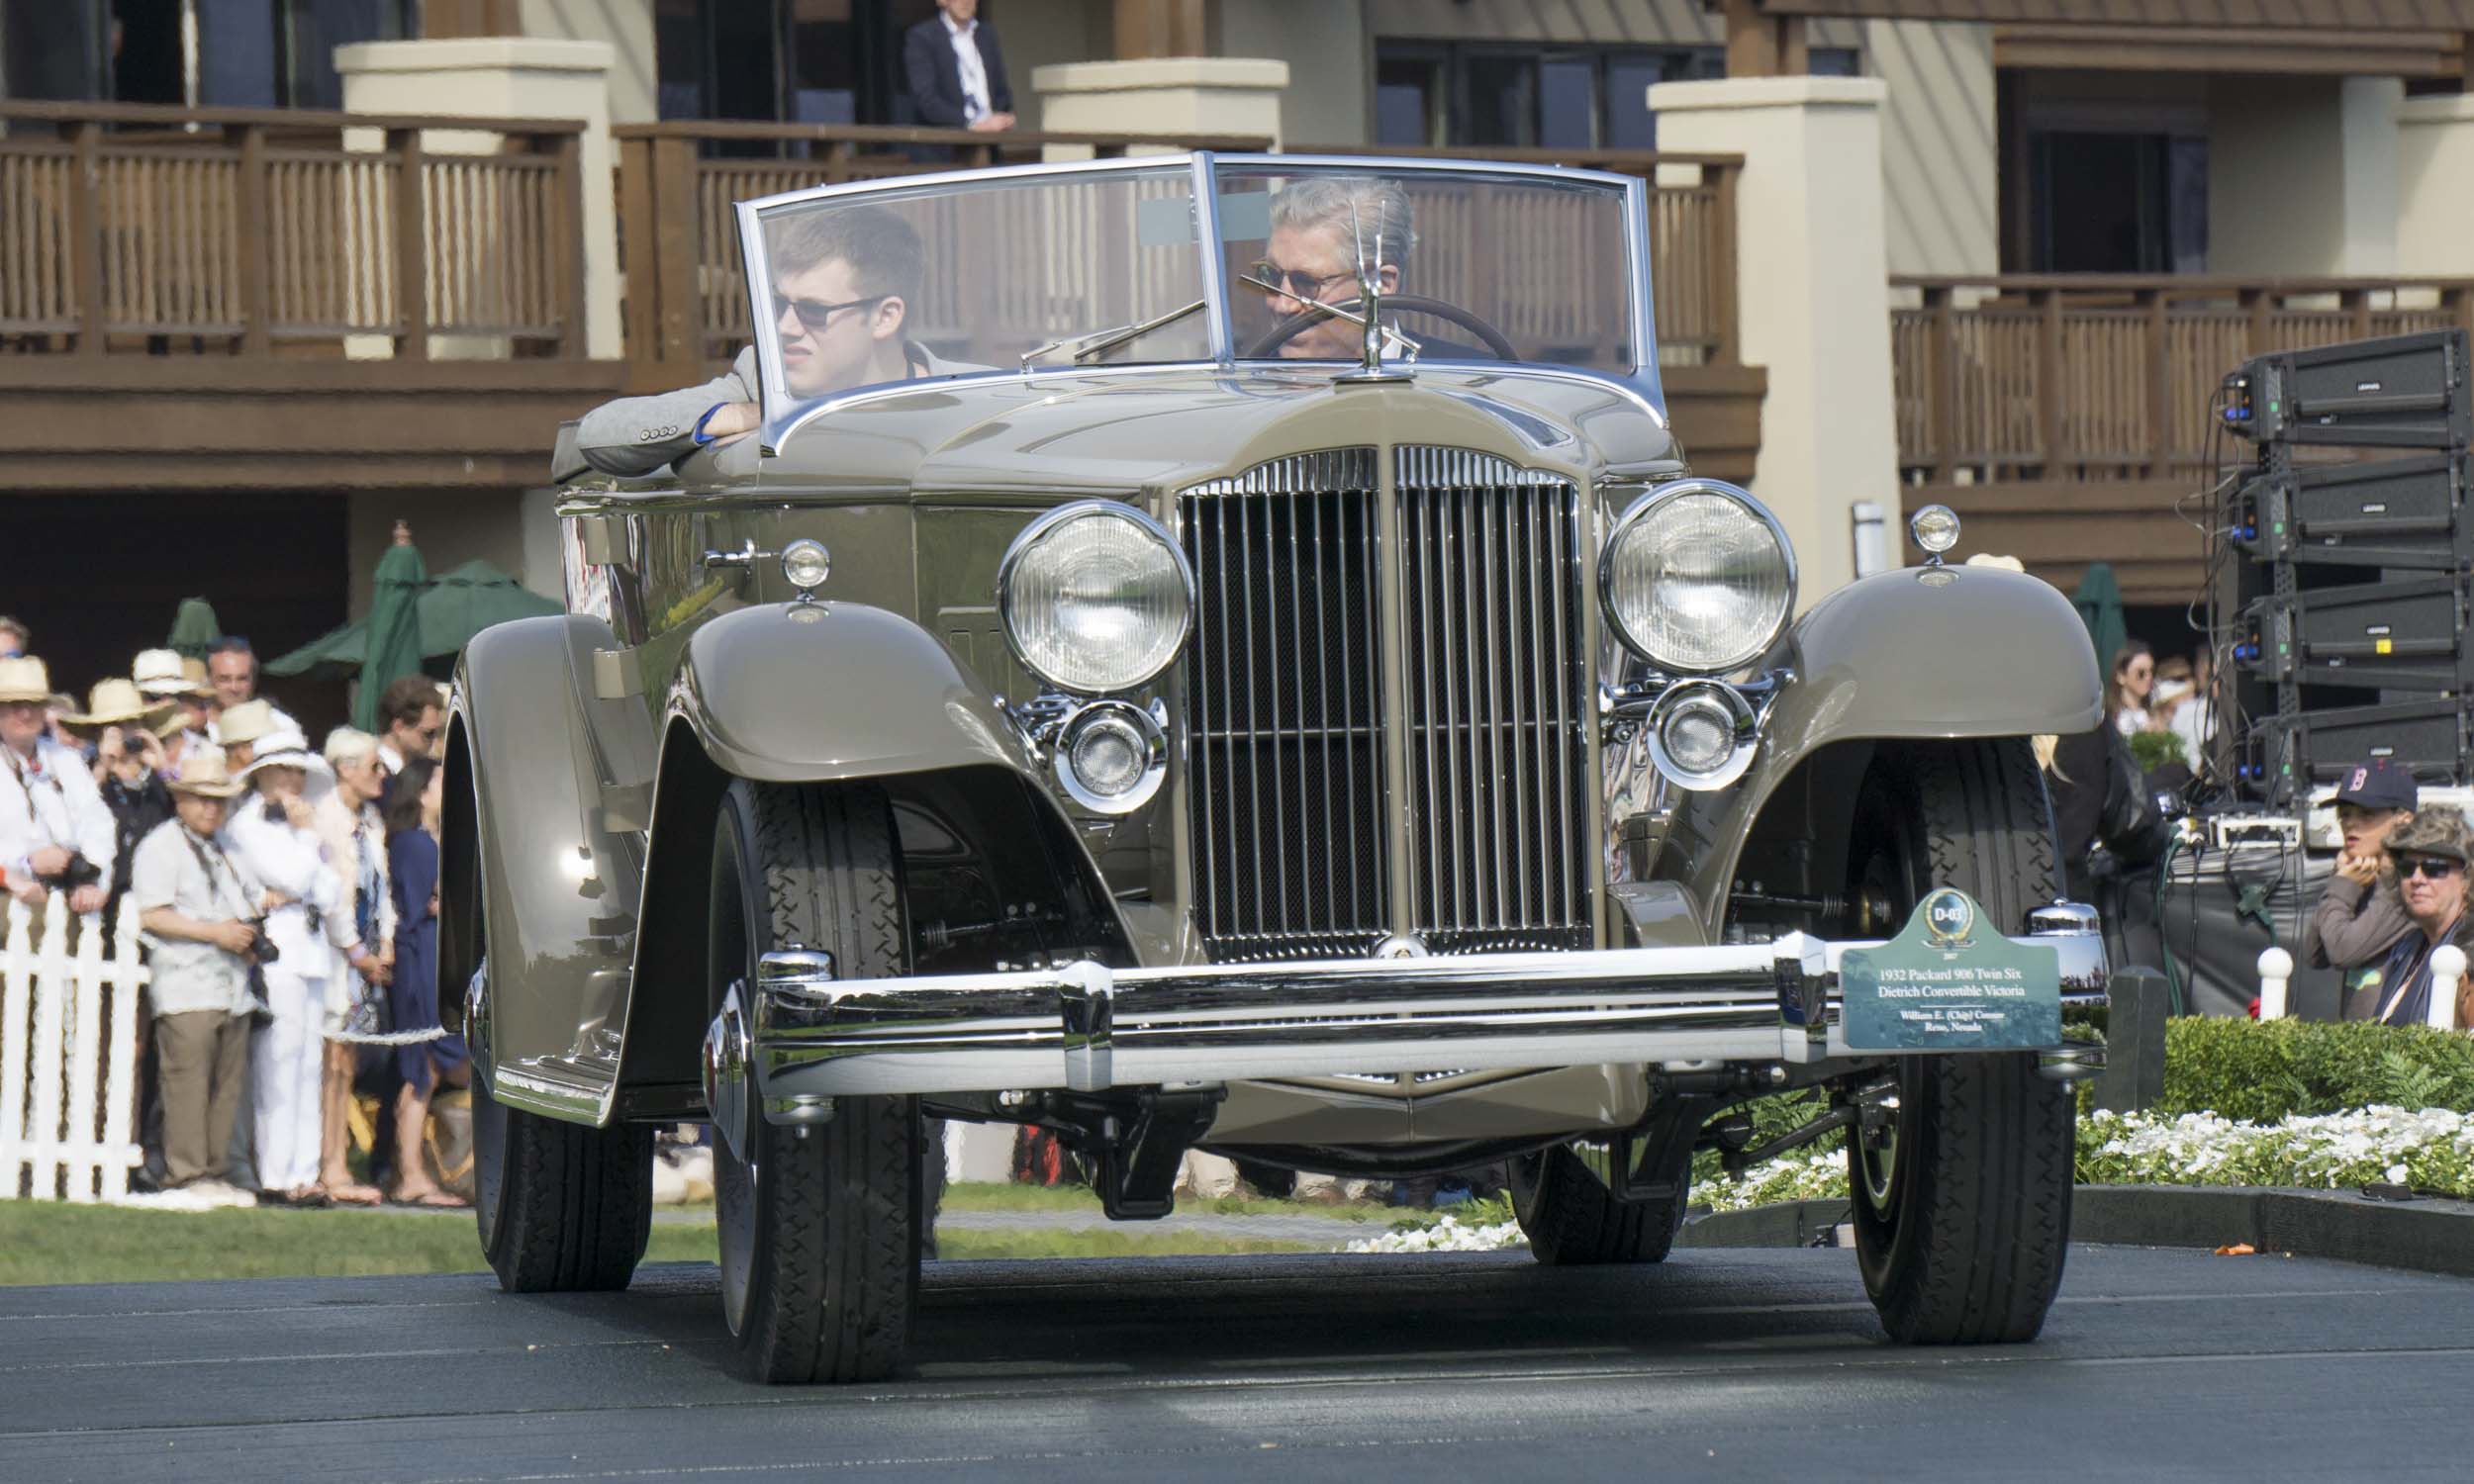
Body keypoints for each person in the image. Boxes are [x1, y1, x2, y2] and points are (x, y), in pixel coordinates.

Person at [576, 206, 977, 477]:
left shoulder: (979, 398)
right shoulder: (759, 382)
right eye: (780, 303)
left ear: (885, 317)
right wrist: (751, 415)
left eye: (814, 310)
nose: (785, 326)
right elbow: (600, 433)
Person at [226, 726, 388, 1205]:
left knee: (306, 1064)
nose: (293, 780)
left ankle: (303, 1171)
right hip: (279, 950)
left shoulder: (299, 825)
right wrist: (307, 845)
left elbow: (329, 890)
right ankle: (277, 1175)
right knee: (278, 1061)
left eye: (298, 771)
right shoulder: (249, 824)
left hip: (312, 948)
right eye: (283, 771)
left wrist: (307, 862)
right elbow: (300, 875)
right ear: (264, 775)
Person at [129, 748, 262, 1205]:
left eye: (218, 800)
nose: (211, 808)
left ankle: (215, 1171)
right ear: (181, 800)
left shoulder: (228, 847)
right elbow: (151, 914)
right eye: (202, 799)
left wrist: (245, 936)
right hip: (187, 983)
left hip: (233, 986)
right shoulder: (160, 845)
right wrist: (215, 933)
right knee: (186, 1082)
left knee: (227, 1086)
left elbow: (248, 903)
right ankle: (184, 1174)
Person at [315, 727, 397, 1205]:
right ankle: (330, 1162)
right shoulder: (326, 819)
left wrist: (383, 942)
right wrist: (356, 952)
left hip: (365, 955)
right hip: (335, 956)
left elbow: (380, 887)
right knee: (333, 1059)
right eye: (373, 766)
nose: (381, 774)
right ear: (345, 769)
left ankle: (337, 1160)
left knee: (348, 1059)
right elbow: (330, 895)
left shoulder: (370, 819)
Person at [385, 756, 471, 1206]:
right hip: (421, 960)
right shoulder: (414, 845)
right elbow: (424, 905)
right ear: (421, 791)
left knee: (433, 1070)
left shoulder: (427, 842)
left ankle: (417, 1171)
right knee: (422, 1069)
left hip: (433, 956)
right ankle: (411, 1174)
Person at [0, 657, 116, 917]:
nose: (26, 714)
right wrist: (26, 863)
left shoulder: (68, 760)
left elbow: (99, 824)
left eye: (34, 705)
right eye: (15, 705)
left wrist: (92, 878)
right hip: (13, 900)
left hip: (73, 901)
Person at [62, 679, 176, 925]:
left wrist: (162, 765)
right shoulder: (85, 774)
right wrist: (104, 765)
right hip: (100, 903)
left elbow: (187, 811)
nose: (124, 734)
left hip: (156, 901)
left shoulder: (160, 779)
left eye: (131, 724)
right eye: (114, 727)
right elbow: (75, 819)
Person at [2304, 758, 2419, 983]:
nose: (2350, 824)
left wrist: (2341, 887)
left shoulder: (2409, 882)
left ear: (2403, 819)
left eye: (2367, 814)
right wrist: (2341, 879)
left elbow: (2342, 952)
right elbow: (2314, 954)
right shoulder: (2363, 874)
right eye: (2345, 814)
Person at [2359, 805, 2474, 1030]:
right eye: (2407, 867)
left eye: (2434, 868)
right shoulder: (2407, 948)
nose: (2417, 878)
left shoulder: (2469, 953)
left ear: (2467, 878)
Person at [903, 0, 1014, 134]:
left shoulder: (987, 35)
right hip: (945, 145)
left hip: (989, 141)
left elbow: (1002, 92)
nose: (965, 2)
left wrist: (1003, 118)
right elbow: (927, 100)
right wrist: (972, 124)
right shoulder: (923, 37)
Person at [134, 648, 217, 764]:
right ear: (140, 698)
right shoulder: (127, 754)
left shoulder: (209, 753)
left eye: (174, 695)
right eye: (155, 696)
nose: (165, 703)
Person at [375, 675, 444, 780]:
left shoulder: (420, 769)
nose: (434, 740)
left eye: (436, 732)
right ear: (398, 727)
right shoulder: (375, 775)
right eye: (429, 733)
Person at [2107, 639, 2156, 737]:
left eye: (2152, 671)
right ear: (2121, 676)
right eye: (2141, 673)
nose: (2149, 678)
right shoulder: (2110, 718)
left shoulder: (2154, 713)